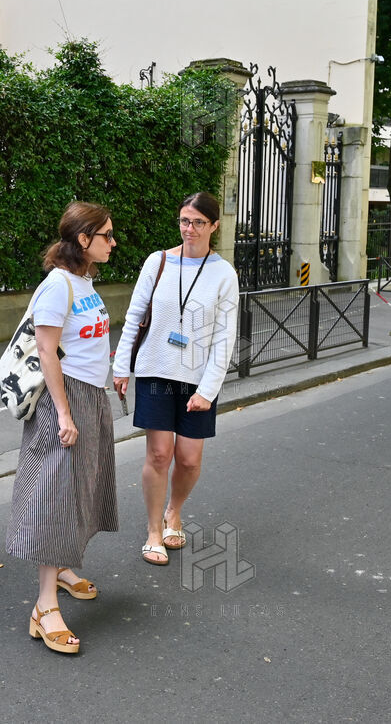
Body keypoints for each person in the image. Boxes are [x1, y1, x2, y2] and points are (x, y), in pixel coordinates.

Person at [5, 202, 119, 655]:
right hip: (64, 400)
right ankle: (45, 606)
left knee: (82, 489)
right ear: (83, 239)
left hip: (89, 395)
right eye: (106, 235)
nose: (113, 242)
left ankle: (65, 568)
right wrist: (65, 415)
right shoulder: (57, 285)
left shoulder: (83, 280)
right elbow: (46, 351)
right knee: (56, 497)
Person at [112, 192, 239, 569]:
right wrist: (121, 367)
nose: (190, 229)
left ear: (214, 226)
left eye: (199, 222)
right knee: (159, 454)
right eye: (185, 220)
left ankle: (174, 511)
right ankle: (154, 530)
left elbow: (225, 337)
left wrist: (208, 390)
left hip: (197, 379)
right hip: (155, 370)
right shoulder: (159, 262)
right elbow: (134, 316)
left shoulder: (224, 274)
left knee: (188, 459)